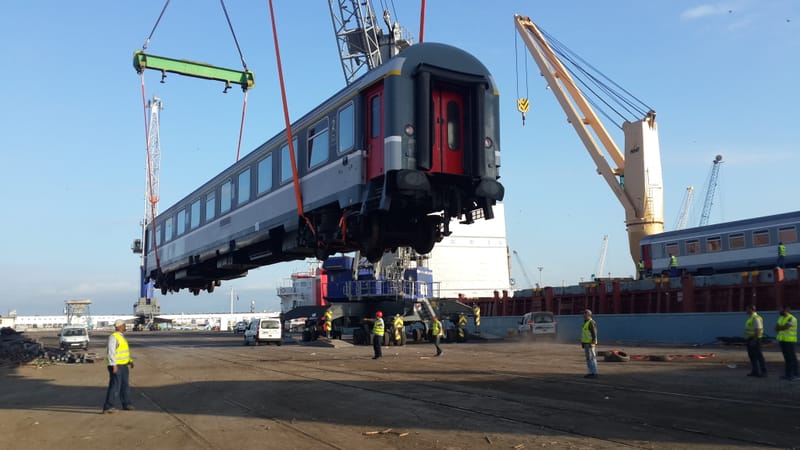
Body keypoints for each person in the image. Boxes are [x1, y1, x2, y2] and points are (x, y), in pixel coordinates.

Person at [103, 319, 134, 413]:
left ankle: (126, 404)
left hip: (124, 365)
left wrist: (130, 361)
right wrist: (114, 365)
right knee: (115, 386)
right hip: (116, 366)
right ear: (119, 326)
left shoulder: (121, 337)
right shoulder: (114, 337)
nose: (125, 327)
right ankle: (108, 406)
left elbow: (123, 352)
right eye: (124, 325)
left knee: (125, 385)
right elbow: (111, 352)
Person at [775, 305, 798, 380]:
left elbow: (785, 327)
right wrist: (780, 328)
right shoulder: (781, 318)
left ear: (786, 309)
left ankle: (793, 375)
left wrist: (780, 328)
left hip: (789, 341)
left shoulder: (792, 318)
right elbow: (776, 328)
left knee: (791, 358)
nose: (779, 311)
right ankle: (788, 374)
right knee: (787, 359)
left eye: (781, 309)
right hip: (782, 341)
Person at [744, 305, 767, 377]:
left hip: (755, 339)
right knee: (752, 356)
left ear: (752, 309)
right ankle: (755, 371)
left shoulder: (756, 318)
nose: (746, 310)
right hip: (750, 339)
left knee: (759, 356)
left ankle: (764, 372)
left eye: (747, 309)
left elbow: (758, 330)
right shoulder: (750, 318)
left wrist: (754, 340)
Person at [581, 309, 598, 378]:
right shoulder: (586, 322)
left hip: (590, 344)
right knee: (588, 358)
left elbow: (594, 333)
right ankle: (590, 372)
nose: (583, 315)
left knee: (592, 358)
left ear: (588, 314)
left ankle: (594, 373)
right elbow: (584, 334)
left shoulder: (591, 322)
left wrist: (593, 343)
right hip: (586, 343)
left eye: (584, 314)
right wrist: (583, 343)